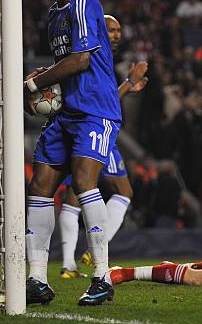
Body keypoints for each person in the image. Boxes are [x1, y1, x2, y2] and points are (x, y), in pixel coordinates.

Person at [23, 0, 121, 306]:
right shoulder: (54, 14)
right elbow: (64, 64)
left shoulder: (84, 3)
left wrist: (33, 85)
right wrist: (45, 79)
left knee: (83, 182)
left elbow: (80, 60)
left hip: (96, 109)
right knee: (40, 186)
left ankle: (102, 277)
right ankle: (35, 279)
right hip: (67, 112)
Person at [59, 15, 147, 279]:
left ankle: (68, 265)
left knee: (76, 195)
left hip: (77, 127)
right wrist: (129, 83)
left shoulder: (88, 52)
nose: (117, 34)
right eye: (111, 30)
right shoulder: (97, 55)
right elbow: (102, 101)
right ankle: (95, 249)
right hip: (94, 129)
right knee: (123, 191)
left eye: (119, 30)